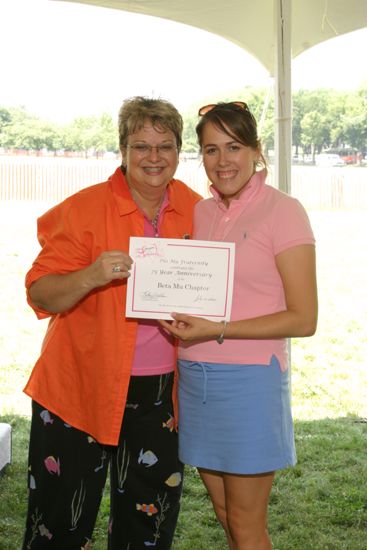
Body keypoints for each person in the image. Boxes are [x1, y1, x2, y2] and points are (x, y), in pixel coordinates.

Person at [22, 96, 201, 549]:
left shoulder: (199, 211)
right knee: (60, 524)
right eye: (141, 146)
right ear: (122, 150)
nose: (154, 158)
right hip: (78, 389)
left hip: (159, 397)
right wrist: (91, 275)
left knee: (147, 529)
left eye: (165, 146)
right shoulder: (84, 209)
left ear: (180, 151)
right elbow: (39, 292)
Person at [160, 101, 318, 550]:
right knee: (226, 514)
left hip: (250, 381)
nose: (222, 161)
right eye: (211, 150)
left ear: (256, 150)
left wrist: (218, 329)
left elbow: (304, 318)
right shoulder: (203, 213)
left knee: (248, 525)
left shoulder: (283, 211)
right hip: (196, 378)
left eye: (233, 146)